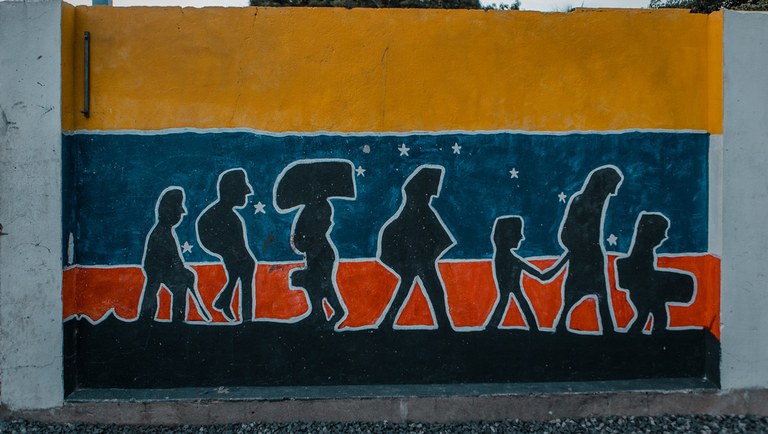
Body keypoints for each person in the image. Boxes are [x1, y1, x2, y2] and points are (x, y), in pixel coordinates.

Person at [378, 165, 455, 329]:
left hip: (421, 261)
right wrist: (427, 259)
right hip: (420, 262)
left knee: (409, 290)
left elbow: (441, 240)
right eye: (429, 194)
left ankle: (386, 323)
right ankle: (444, 325)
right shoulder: (419, 213)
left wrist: (430, 256)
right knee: (434, 291)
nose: (430, 197)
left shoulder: (422, 212)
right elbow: (441, 239)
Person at [557, 165, 623, 334]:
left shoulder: (597, 202)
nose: (614, 192)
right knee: (576, 294)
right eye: (612, 186)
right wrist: (577, 249)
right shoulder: (580, 202)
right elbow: (566, 233)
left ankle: (608, 329)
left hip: (592, 255)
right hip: (583, 256)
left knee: (600, 296)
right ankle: (562, 325)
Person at [616, 212, 695, 334]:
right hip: (643, 292)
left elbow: (648, 276)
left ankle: (642, 337)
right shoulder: (642, 254)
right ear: (651, 233)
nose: (665, 236)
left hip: (647, 292)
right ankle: (636, 337)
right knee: (649, 316)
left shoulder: (645, 252)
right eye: (662, 232)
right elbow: (644, 277)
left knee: (652, 316)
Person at [141, 187, 211, 323]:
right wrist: (182, 272)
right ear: (169, 211)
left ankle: (170, 320)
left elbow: (175, 259)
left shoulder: (166, 232)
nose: (180, 214)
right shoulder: (160, 233)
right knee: (168, 288)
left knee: (177, 284)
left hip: (162, 270)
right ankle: (160, 320)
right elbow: (170, 260)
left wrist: (185, 272)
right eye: (177, 210)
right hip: (157, 270)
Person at [196, 169, 256, 322]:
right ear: (232, 192)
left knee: (246, 266)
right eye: (242, 191)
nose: (246, 195)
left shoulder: (233, 219)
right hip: (219, 245)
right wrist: (229, 251)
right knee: (247, 265)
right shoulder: (219, 216)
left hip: (227, 247)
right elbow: (207, 236)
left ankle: (225, 301)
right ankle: (246, 317)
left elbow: (241, 247)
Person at [489, 216, 566, 330]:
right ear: (508, 236)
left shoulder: (501, 258)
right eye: (517, 233)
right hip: (510, 292)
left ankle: (532, 329)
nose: (522, 237)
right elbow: (543, 276)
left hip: (509, 292)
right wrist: (564, 259)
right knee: (510, 301)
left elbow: (542, 276)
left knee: (508, 301)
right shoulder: (512, 261)